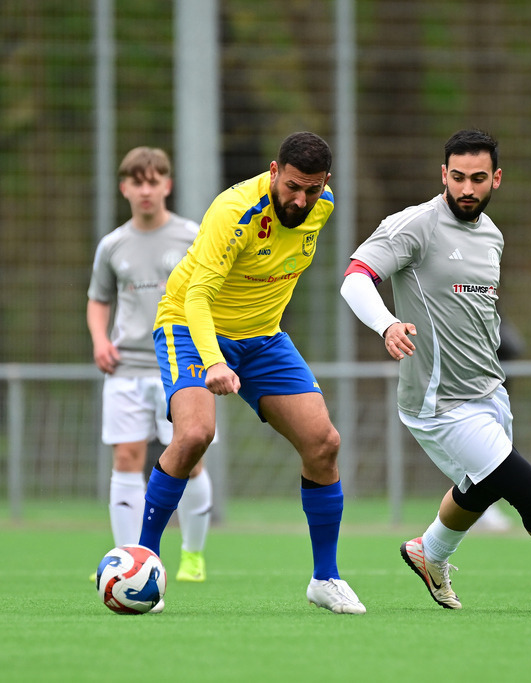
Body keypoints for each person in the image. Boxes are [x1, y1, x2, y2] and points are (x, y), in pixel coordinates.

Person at [341, 129, 531, 613]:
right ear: (443, 176)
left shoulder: (492, 234)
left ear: (496, 178)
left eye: (478, 178)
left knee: (481, 486)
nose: (467, 189)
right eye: (457, 178)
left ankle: (429, 552)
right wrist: (387, 324)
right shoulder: (415, 225)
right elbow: (355, 279)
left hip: (490, 393)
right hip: (440, 404)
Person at [139, 131, 365, 614]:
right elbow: (197, 297)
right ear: (273, 172)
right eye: (291, 187)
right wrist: (215, 361)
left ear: (325, 182)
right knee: (196, 433)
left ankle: (325, 578)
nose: (300, 200)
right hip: (190, 326)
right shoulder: (232, 211)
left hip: (263, 337)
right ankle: (145, 563)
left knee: (324, 443)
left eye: (311, 188)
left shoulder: (322, 206)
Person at [87, 147, 213, 583]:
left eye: (154, 180)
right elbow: (98, 299)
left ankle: (192, 554)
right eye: (137, 182)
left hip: (179, 363)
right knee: (126, 456)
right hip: (125, 367)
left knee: (189, 456)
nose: (146, 190)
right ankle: (128, 557)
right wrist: (100, 340)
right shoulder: (113, 245)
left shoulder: (193, 236)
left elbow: (210, 293)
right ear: (124, 187)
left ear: (167, 185)